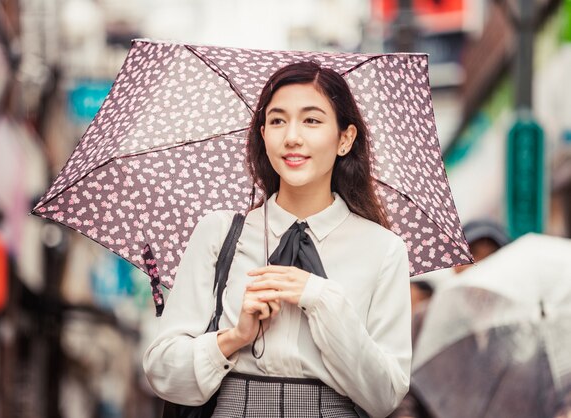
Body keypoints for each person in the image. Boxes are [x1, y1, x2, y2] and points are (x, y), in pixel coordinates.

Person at [143, 61, 412, 418]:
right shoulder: (220, 233)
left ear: (345, 139)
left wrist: (320, 299)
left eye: (312, 120)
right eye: (278, 120)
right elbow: (162, 371)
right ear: (263, 134)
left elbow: (385, 395)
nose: (292, 137)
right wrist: (235, 336)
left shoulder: (383, 249)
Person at [389, 218, 510, 418]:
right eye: (472, 256)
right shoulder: (426, 319)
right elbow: (403, 390)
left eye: (490, 256)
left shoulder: (516, 327)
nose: (479, 265)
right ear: (456, 263)